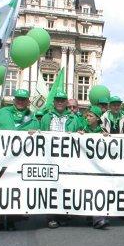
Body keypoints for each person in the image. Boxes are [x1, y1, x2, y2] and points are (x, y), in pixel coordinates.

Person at [0, 89, 39, 233]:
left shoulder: (33, 118)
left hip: (19, 163)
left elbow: (39, 141)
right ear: (14, 100)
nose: (21, 101)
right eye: (18, 99)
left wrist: (36, 134)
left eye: (24, 99)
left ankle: (11, 221)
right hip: (0, 160)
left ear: (28, 101)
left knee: (15, 191)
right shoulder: (2, 112)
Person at [40, 91, 77, 229]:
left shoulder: (74, 118)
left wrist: (81, 133)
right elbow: (41, 136)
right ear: (54, 102)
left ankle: (63, 214)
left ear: (66, 102)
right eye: (58, 100)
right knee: (51, 187)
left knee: (65, 186)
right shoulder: (45, 118)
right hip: (50, 158)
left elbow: (81, 132)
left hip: (68, 159)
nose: (60, 102)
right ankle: (51, 216)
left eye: (62, 100)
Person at [77, 105, 110, 229]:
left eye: (91, 116)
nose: (88, 118)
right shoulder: (82, 130)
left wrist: (107, 138)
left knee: (98, 191)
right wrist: (79, 135)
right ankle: (88, 215)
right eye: (87, 116)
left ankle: (99, 219)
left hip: (98, 169)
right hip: (84, 168)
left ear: (97, 118)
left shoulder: (103, 132)